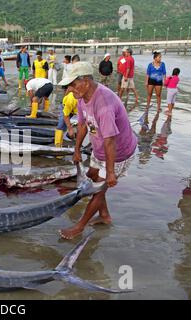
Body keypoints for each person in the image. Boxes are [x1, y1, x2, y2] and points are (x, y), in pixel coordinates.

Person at [57, 62, 137, 240]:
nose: (70, 90)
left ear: (85, 80)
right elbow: (84, 125)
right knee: (93, 178)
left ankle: (79, 227)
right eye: (68, 86)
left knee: (99, 189)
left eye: (72, 84)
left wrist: (110, 173)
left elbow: (111, 141)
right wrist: (76, 149)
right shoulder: (81, 97)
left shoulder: (104, 105)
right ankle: (105, 216)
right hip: (99, 148)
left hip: (118, 152)